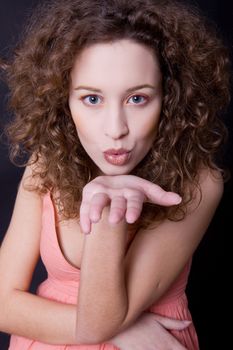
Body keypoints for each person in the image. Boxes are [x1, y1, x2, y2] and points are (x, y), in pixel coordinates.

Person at [0, 0, 230, 349]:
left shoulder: (198, 181)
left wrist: (108, 205)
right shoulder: (46, 163)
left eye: (137, 99)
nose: (115, 129)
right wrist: (125, 328)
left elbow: (97, 323)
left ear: (169, 98)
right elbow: (2, 304)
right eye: (92, 99)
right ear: (64, 102)